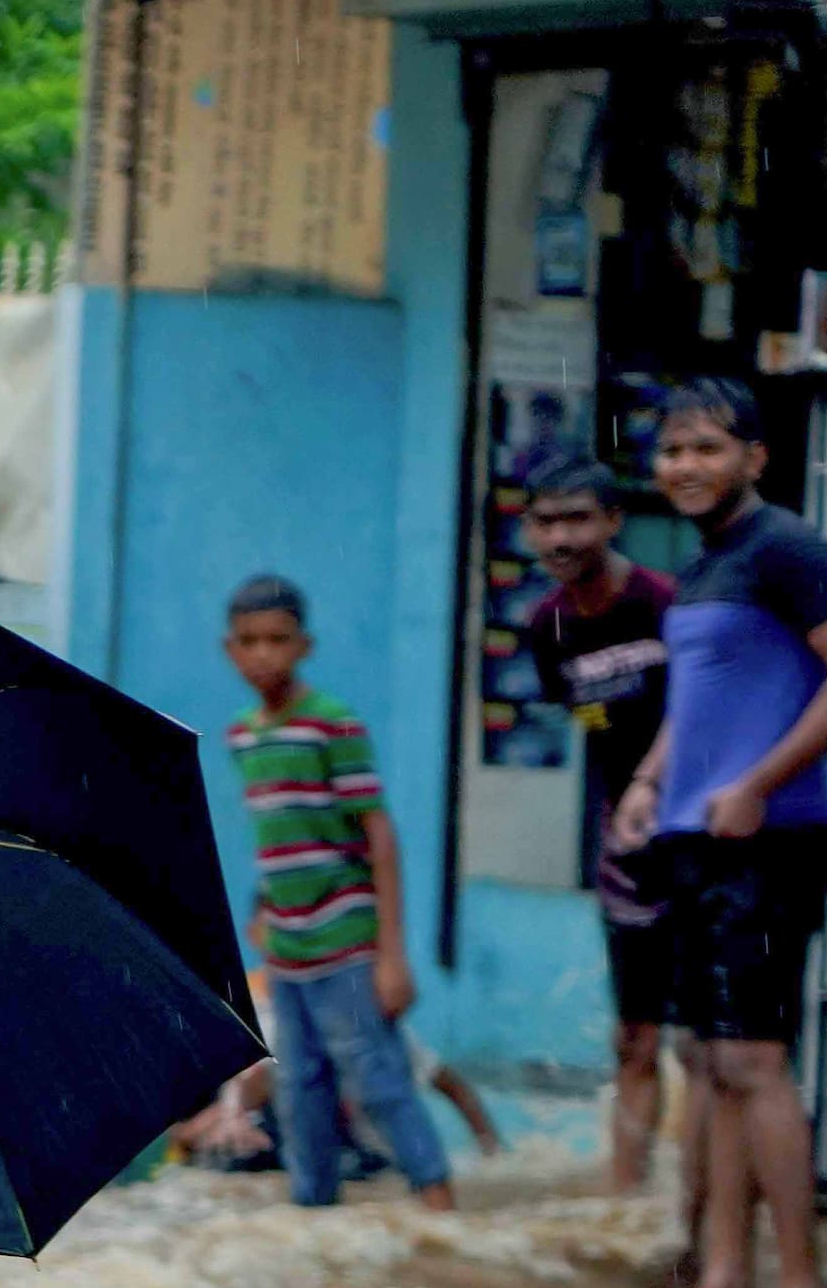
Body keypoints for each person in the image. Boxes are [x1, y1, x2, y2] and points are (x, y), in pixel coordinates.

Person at [615, 376, 827, 1288]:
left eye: (705, 448)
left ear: (753, 458)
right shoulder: (699, 566)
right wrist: (648, 784)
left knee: (752, 1059)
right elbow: (697, 703)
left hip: (772, 836)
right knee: (708, 1060)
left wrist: (760, 783)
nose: (683, 466)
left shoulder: (788, 548)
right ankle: (726, 1282)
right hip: (694, 837)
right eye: (671, 450)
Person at [204, 574, 470, 1211]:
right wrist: (267, 912)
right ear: (230, 650)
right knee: (300, 1088)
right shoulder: (244, 737)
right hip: (287, 950)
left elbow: (377, 833)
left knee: (377, 1079)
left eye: (277, 640)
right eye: (249, 642)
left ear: (305, 646)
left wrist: (393, 955)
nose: (263, 654)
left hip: (347, 942)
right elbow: (278, 838)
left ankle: (438, 1200)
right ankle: (312, 1210)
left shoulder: (332, 726)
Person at [513, 452, 682, 1197]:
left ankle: (709, 1214)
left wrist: (655, 777)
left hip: (699, 834)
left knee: (719, 1045)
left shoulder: (663, 604)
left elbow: (700, 711)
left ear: (614, 521)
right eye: (546, 522)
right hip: (626, 846)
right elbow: (585, 716)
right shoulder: (545, 625)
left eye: (578, 518)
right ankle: (627, 1204)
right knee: (634, 1037)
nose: (561, 538)